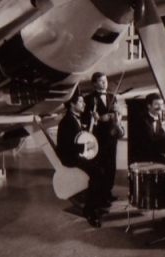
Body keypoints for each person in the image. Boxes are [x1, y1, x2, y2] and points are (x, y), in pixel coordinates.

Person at [56, 92, 108, 228]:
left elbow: (78, 136)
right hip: (70, 158)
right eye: (80, 102)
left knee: (102, 167)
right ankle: (89, 211)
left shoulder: (74, 118)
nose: (84, 104)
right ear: (72, 104)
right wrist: (86, 146)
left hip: (76, 155)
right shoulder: (67, 121)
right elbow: (65, 147)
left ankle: (96, 202)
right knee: (97, 173)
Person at [82, 72, 123, 203]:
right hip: (98, 138)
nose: (104, 83)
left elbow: (117, 116)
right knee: (101, 167)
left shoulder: (112, 96)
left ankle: (108, 192)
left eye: (105, 80)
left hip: (112, 136)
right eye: (100, 81)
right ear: (94, 84)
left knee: (111, 166)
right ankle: (100, 196)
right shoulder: (88, 99)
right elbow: (84, 118)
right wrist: (99, 119)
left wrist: (119, 113)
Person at [133, 93, 165, 164]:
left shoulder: (157, 119)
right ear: (149, 105)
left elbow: (159, 135)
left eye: (162, 104)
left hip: (154, 154)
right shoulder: (142, 121)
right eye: (157, 104)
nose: (160, 107)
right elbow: (150, 143)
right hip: (145, 158)